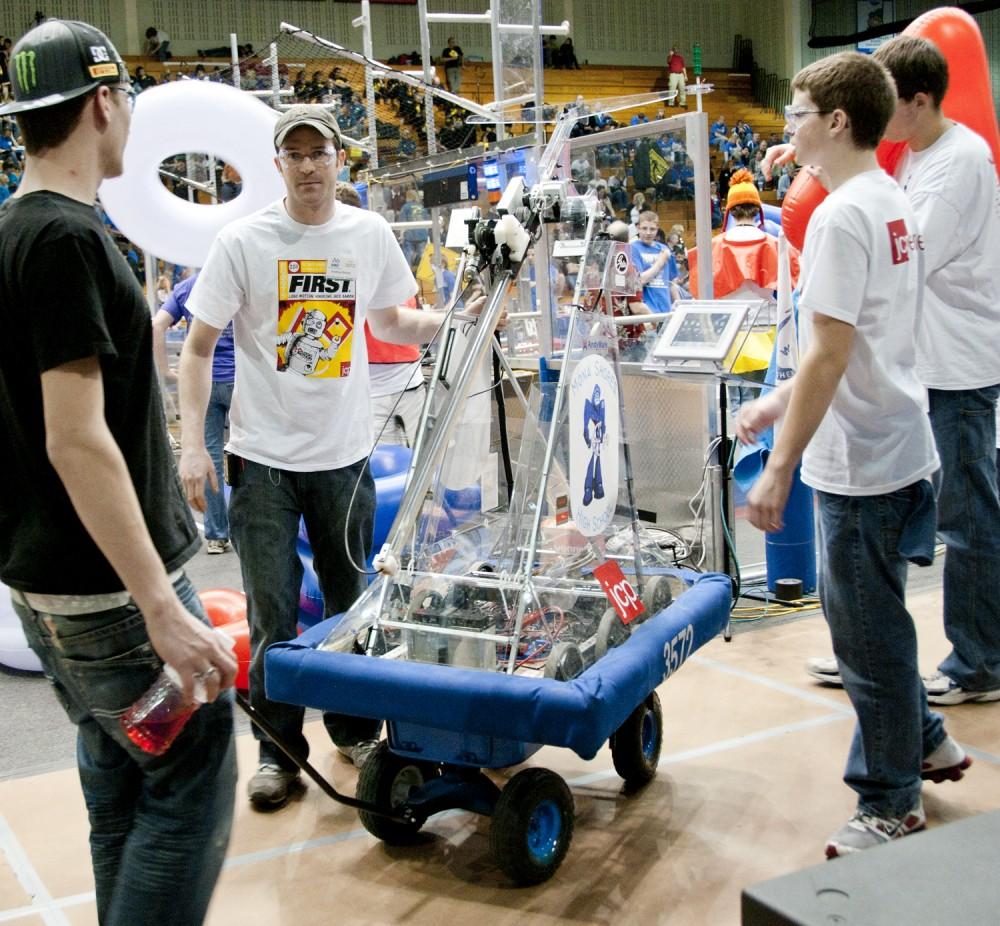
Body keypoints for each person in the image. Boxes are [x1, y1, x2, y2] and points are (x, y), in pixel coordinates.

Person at [0, 20, 236, 925]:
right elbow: (76, 440)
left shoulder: (14, 236)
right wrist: (161, 605)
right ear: (102, 103)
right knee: (190, 764)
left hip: (50, 594)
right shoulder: (66, 243)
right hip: (104, 604)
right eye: (124, 99)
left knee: (118, 776)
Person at [178, 105, 455, 810]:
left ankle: (356, 729)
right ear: (279, 165)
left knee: (350, 606)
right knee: (272, 615)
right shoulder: (244, 241)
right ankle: (279, 754)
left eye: (318, 152)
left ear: (339, 159)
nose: (307, 165)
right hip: (262, 460)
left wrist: (456, 320)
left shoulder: (367, 234)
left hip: (345, 457)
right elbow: (198, 344)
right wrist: (189, 445)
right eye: (294, 155)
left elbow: (391, 321)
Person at [736, 51, 968, 858]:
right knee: (870, 622)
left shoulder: (840, 215)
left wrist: (778, 465)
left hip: (862, 463)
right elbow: (845, 342)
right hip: (897, 440)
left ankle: (891, 800)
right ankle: (928, 736)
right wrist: (774, 403)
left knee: (865, 640)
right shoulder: (886, 198)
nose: (789, 124)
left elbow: (832, 353)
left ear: (836, 121)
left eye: (798, 110)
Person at [797, 37, 1000, 707]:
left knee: (966, 522)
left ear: (919, 101)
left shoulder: (962, 160)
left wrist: (834, 181)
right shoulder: (910, 157)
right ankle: (869, 648)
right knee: (881, 537)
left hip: (959, 366)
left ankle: (980, 661)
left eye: (894, 103)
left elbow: (912, 249)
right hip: (917, 366)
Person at [336, 181, 426, 446]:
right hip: (371, 389)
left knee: (423, 469)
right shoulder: (334, 262)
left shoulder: (379, 249)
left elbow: (401, 317)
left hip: (408, 379)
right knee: (384, 471)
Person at [153, 272, 234, 554]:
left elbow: (156, 325)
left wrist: (164, 369)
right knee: (249, 455)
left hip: (202, 382)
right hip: (242, 381)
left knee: (208, 453)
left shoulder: (187, 286)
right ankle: (248, 530)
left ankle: (216, 535)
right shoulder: (238, 276)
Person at [630, 210, 678, 315]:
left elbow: (672, 282)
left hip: (666, 309)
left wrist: (678, 303)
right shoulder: (633, 248)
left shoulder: (664, 249)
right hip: (647, 310)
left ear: (657, 229)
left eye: (652, 229)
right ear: (638, 228)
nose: (648, 233)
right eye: (644, 228)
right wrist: (660, 262)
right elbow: (640, 280)